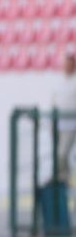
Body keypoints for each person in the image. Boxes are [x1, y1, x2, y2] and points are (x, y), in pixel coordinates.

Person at [54, 51, 76, 183]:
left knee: (63, 154)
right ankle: (64, 181)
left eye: (70, 64)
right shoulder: (59, 82)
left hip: (72, 124)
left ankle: (65, 180)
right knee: (61, 155)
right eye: (65, 64)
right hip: (60, 124)